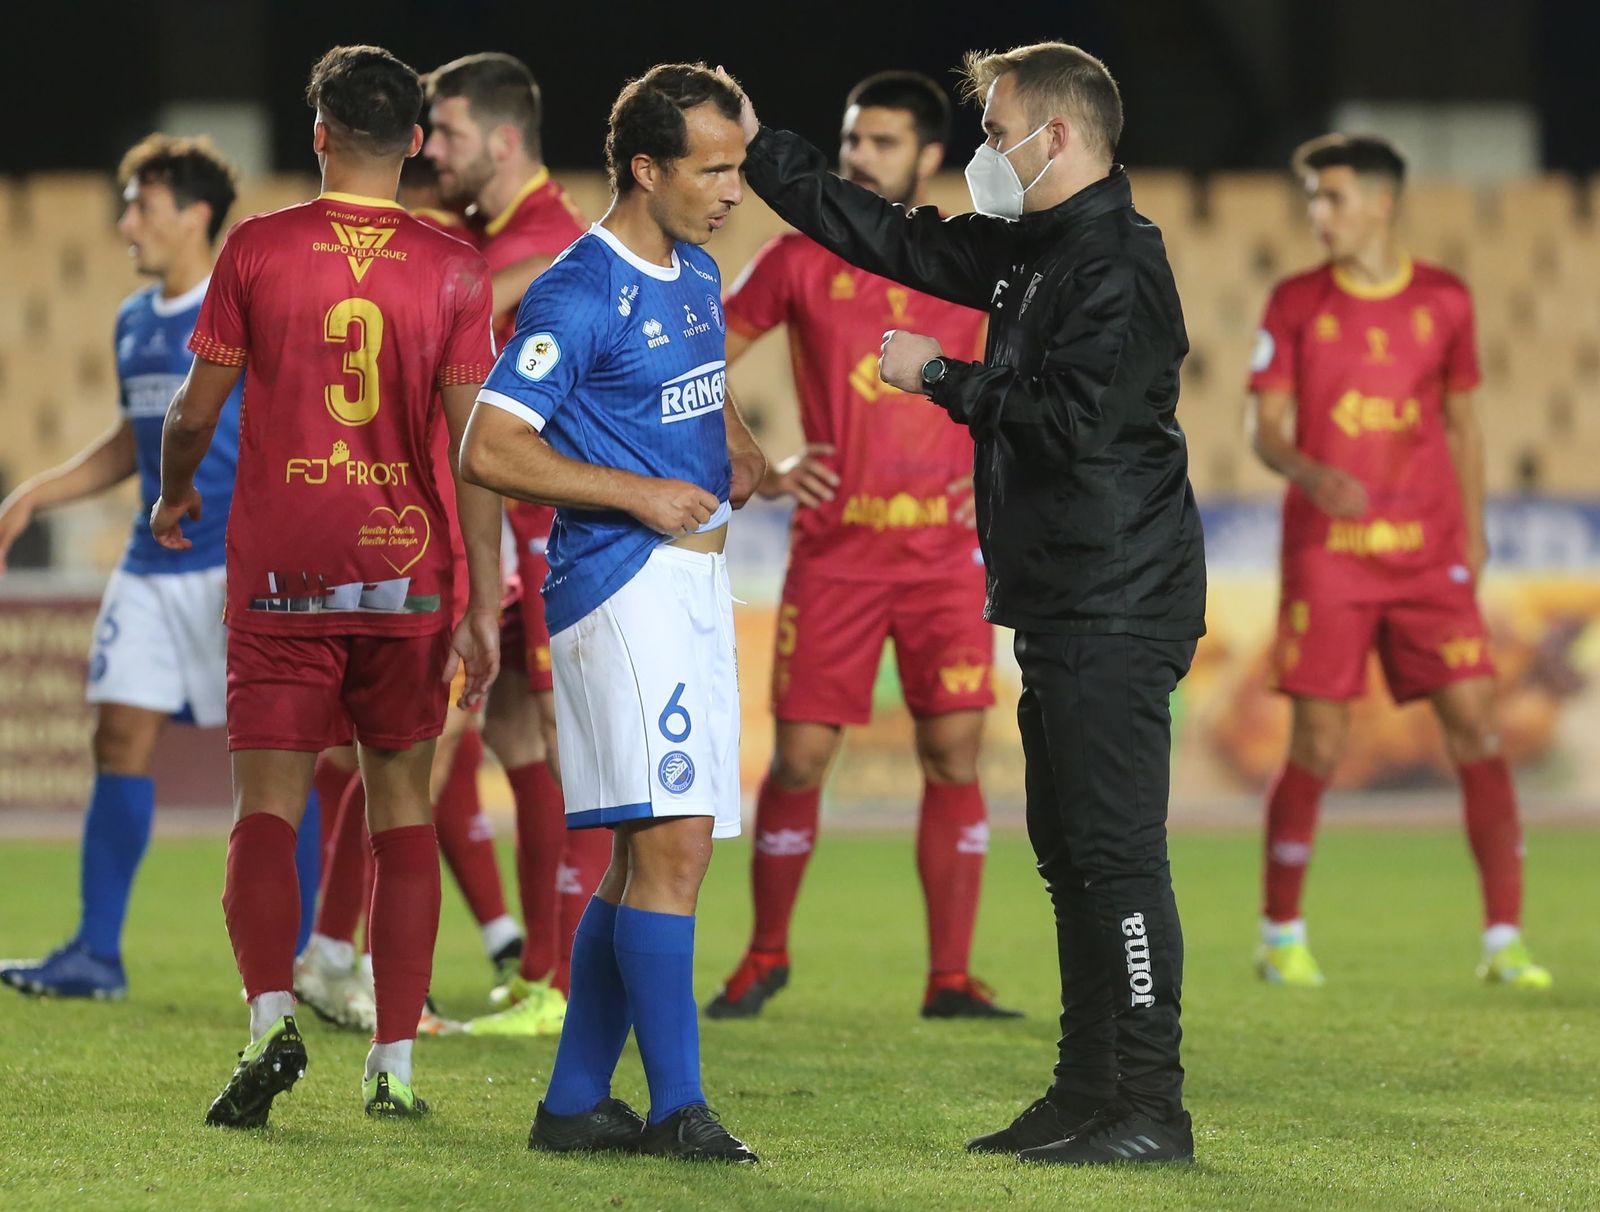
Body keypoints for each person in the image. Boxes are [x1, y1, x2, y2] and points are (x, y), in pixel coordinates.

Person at [729, 40, 1206, 1166]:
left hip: (1116, 600)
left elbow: (1074, 417)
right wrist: (763, 153)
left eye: (996, 135)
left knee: (1116, 856)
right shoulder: (1041, 253)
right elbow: (890, 234)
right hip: (1065, 596)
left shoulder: (1116, 265)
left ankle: (1149, 1105)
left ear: (1059, 138)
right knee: (1068, 851)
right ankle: (1086, 1088)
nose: (985, 155)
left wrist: (938, 377)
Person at [152, 43, 500, 1125]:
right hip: (407, 578)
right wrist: (484, 599)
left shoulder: (257, 249)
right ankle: (393, 1065)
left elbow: (193, 416)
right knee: (402, 814)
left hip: (283, 574)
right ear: (414, 144)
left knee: (266, 809)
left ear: (317, 136)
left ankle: (270, 1019)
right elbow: (476, 449)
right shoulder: (453, 267)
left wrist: (173, 499)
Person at [462, 61, 765, 1163]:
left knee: (648, 858)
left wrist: (732, 440)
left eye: (736, 166)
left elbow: (693, 377)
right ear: (645, 168)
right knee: (675, 847)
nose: (734, 189)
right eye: (713, 170)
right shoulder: (577, 290)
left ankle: (574, 1102)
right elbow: (490, 446)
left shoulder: (691, 269)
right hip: (621, 587)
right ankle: (679, 1106)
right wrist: (639, 491)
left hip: (689, 587)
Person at [706, 70, 1017, 1022]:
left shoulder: (972, 262)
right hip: (836, 556)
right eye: (851, 139)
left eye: (879, 142)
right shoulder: (801, 260)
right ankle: (764, 958)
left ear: (930, 157)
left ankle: (950, 978)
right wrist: (758, 454)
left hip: (947, 558)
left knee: (955, 756)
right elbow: (696, 349)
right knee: (799, 760)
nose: (856, 157)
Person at [0, 135, 322, 999]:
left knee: (281, 760)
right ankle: (96, 956)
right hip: (150, 565)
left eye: (140, 206)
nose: (124, 224)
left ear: (194, 215)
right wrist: (39, 492)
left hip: (239, 568)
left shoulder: (250, 312)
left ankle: (303, 957)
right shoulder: (133, 319)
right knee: (117, 737)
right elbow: (135, 438)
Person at [1248, 134, 1550, 991]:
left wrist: (1476, 529)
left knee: (1478, 727)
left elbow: (1462, 423)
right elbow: (1261, 431)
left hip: (1426, 556)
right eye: (1312, 198)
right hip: (1329, 556)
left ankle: (1504, 941)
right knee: (1320, 739)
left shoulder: (1445, 301)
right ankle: (1281, 932)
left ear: (1382, 204)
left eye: (1332, 198)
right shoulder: (1295, 302)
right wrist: (1307, 468)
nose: (1319, 215)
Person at [423, 52, 610, 1033]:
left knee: (538, 741)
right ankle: (537, 966)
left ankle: (554, 978)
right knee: (506, 740)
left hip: (540, 530)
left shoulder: (558, 242)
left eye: (446, 132)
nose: (431, 147)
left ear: (501, 140)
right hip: (488, 527)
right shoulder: (486, 236)